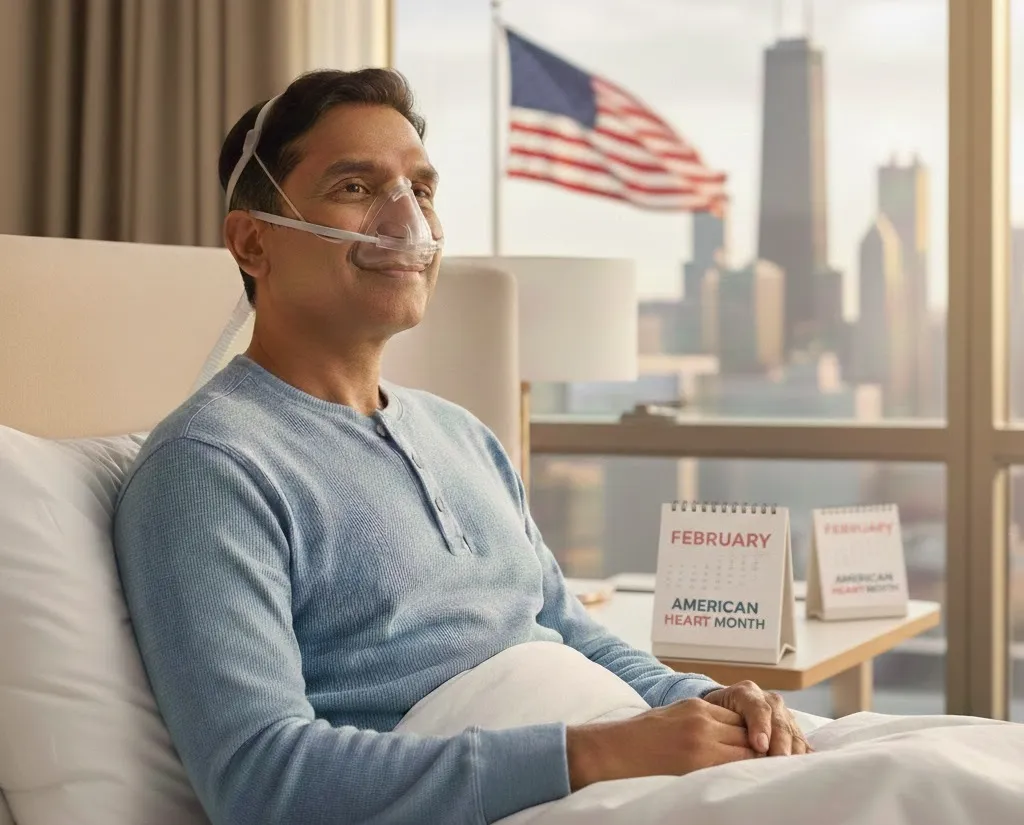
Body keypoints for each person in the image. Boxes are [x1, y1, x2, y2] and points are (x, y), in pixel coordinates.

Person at [112, 68, 809, 825]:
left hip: (637, 771)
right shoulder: (210, 469)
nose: (406, 222)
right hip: (547, 797)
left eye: (423, 189)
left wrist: (701, 699)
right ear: (253, 240)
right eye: (356, 187)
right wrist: (602, 753)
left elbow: (567, 629)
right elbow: (264, 783)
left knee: (951, 758)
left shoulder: (461, 434)